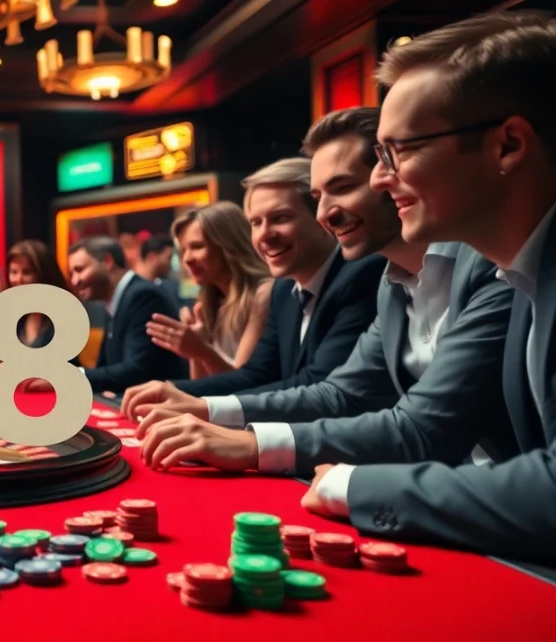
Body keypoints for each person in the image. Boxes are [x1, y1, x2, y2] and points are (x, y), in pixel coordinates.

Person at [135, 102, 519, 550]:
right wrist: (208, 411)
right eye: (318, 196)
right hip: (452, 499)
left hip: (499, 512)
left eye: (343, 188)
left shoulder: (489, 265)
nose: (325, 214)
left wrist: (251, 444)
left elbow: (420, 428)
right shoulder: (390, 282)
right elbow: (340, 393)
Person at [299, 10, 556, 562]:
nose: (378, 177)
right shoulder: (522, 269)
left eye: (401, 150)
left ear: (509, 145)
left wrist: (351, 485)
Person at [123, 157, 384, 408]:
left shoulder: (360, 274)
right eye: (256, 223)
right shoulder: (283, 289)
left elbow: (317, 385)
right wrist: (172, 391)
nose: (265, 235)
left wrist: (202, 405)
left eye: (280, 218)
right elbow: (256, 375)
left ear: (321, 217)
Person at [150, 203, 274, 378]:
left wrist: (201, 350)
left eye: (197, 246)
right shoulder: (208, 302)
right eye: (184, 250)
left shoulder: (263, 294)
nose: (187, 259)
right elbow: (202, 385)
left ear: (229, 245)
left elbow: (243, 383)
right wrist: (196, 350)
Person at [65, 236, 187, 393]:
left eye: (80, 270)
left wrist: (70, 376)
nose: (74, 281)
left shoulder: (142, 295)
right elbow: (106, 367)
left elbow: (135, 371)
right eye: (72, 273)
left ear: (107, 262)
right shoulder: (116, 298)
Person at [135, 234, 182, 308]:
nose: (171, 264)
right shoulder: (131, 288)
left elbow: (193, 290)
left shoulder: (170, 285)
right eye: (168, 258)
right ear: (151, 257)